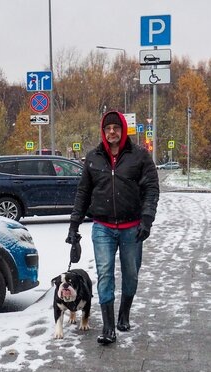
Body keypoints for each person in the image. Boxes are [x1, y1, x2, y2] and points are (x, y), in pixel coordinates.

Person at [66, 111, 159, 345]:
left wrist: (147, 219)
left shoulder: (139, 157)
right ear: (103, 131)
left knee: (131, 275)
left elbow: (151, 189)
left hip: (132, 228)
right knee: (105, 274)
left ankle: (124, 314)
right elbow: (83, 193)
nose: (112, 132)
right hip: (103, 228)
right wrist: (73, 226)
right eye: (108, 128)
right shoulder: (93, 158)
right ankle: (108, 328)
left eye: (116, 127)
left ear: (124, 129)